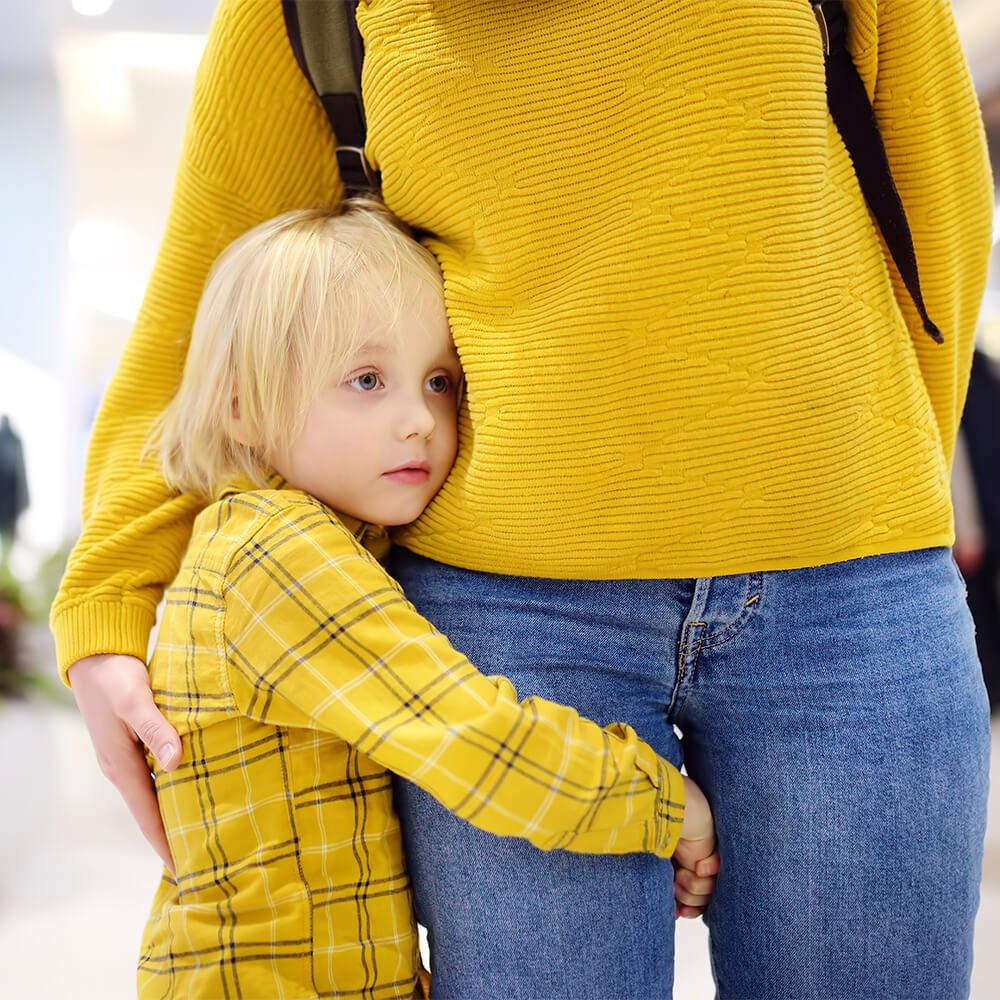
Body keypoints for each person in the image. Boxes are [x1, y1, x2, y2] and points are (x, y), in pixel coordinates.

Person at [53, 3, 993, 998]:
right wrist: (111, 591)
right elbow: (220, 290)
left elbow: (936, 215)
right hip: (505, 618)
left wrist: (862, 477)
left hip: (850, 587)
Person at [133, 199, 717, 998]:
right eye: (366, 379)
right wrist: (663, 803)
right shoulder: (279, 555)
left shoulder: (291, 544)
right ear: (242, 407)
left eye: (439, 380)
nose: (419, 420)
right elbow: (473, 738)